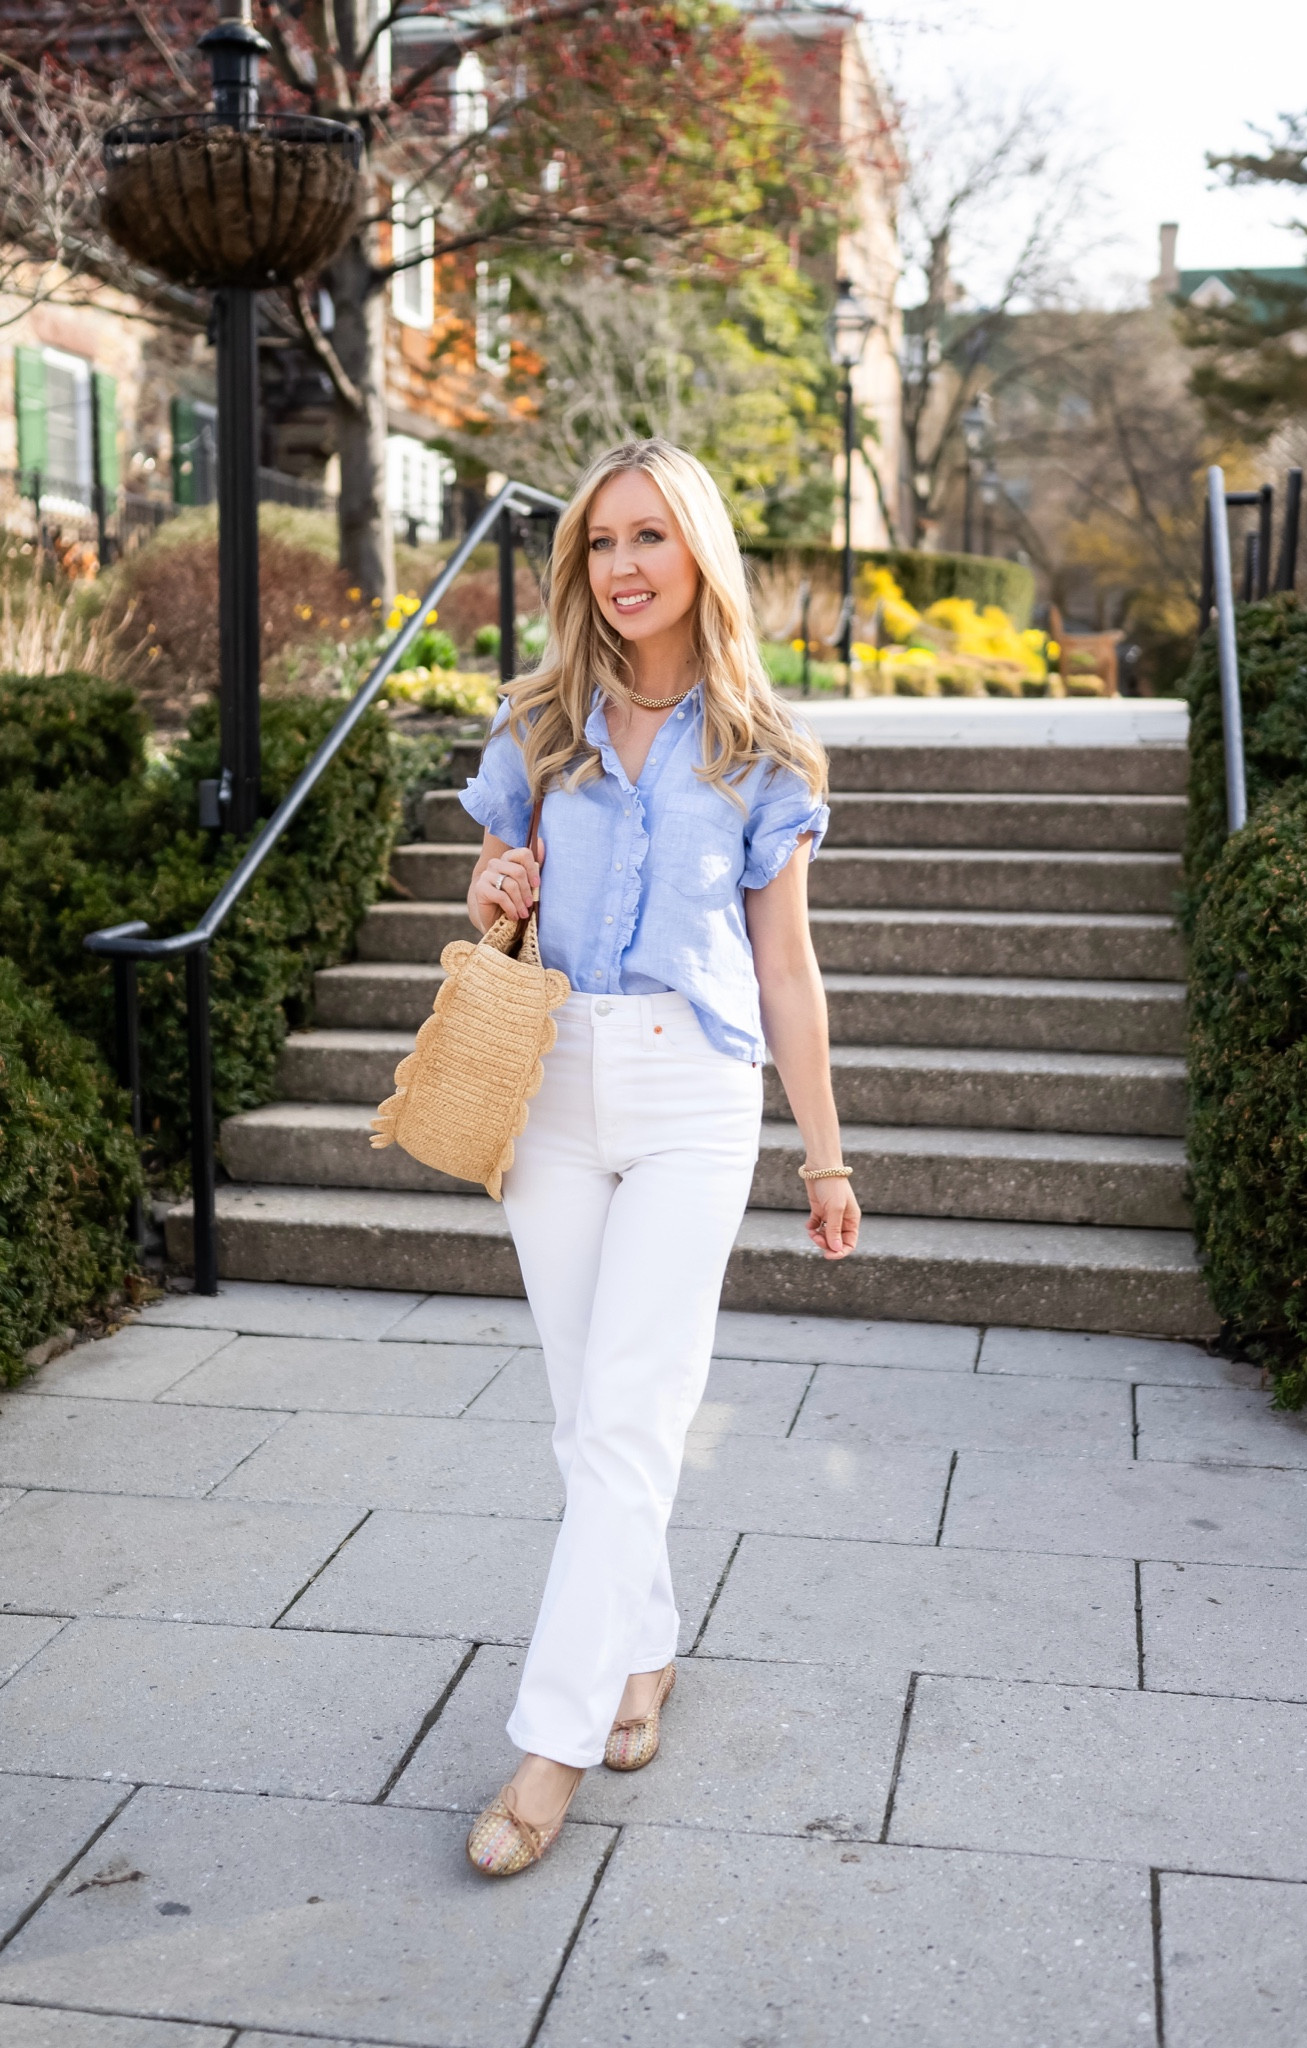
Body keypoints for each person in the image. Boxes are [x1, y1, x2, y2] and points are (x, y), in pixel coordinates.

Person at [458, 438, 860, 1878]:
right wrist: (497, 885)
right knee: (590, 1418)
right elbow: (494, 892)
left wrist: (823, 1157)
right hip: (550, 1083)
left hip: (693, 1092)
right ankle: (645, 1649)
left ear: (698, 554)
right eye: (601, 543)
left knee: (631, 1417)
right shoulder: (539, 723)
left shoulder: (761, 749)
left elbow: (787, 969)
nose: (623, 567)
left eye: (649, 538)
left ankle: (548, 1745)